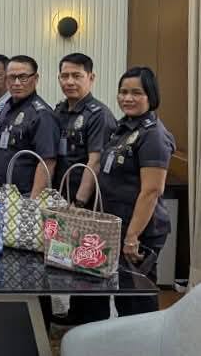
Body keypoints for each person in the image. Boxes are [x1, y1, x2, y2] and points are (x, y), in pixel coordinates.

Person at [98, 67, 174, 317]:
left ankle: (145, 339)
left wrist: (132, 236)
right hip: (119, 225)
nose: (127, 98)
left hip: (141, 231)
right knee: (124, 295)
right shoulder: (125, 128)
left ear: (151, 96)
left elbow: (151, 191)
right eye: (123, 92)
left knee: (137, 299)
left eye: (136, 93)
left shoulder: (153, 135)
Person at [0, 55, 59, 198]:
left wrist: (32, 203)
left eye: (23, 77)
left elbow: (47, 163)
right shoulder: (7, 107)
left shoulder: (42, 115)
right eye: (12, 77)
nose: (17, 83)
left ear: (35, 78)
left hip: (23, 197)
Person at [52, 53, 116, 206]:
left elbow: (95, 162)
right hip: (57, 196)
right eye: (64, 76)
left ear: (91, 78)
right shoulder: (59, 110)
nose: (69, 82)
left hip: (82, 203)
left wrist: (79, 202)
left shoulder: (99, 115)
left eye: (77, 76)